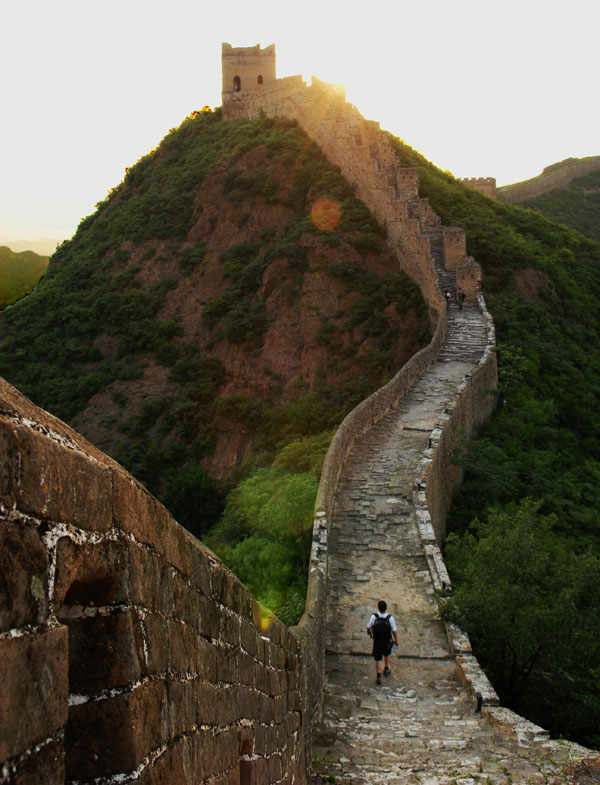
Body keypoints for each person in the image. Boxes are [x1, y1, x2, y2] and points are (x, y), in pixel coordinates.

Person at [367, 600, 399, 684]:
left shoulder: (374, 617)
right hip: (387, 641)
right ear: (386, 608)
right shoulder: (390, 618)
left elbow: (368, 627)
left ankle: (378, 676)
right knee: (387, 654)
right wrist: (396, 640)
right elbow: (394, 631)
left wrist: (369, 633)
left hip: (377, 641)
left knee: (377, 659)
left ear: (378, 608)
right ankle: (386, 668)